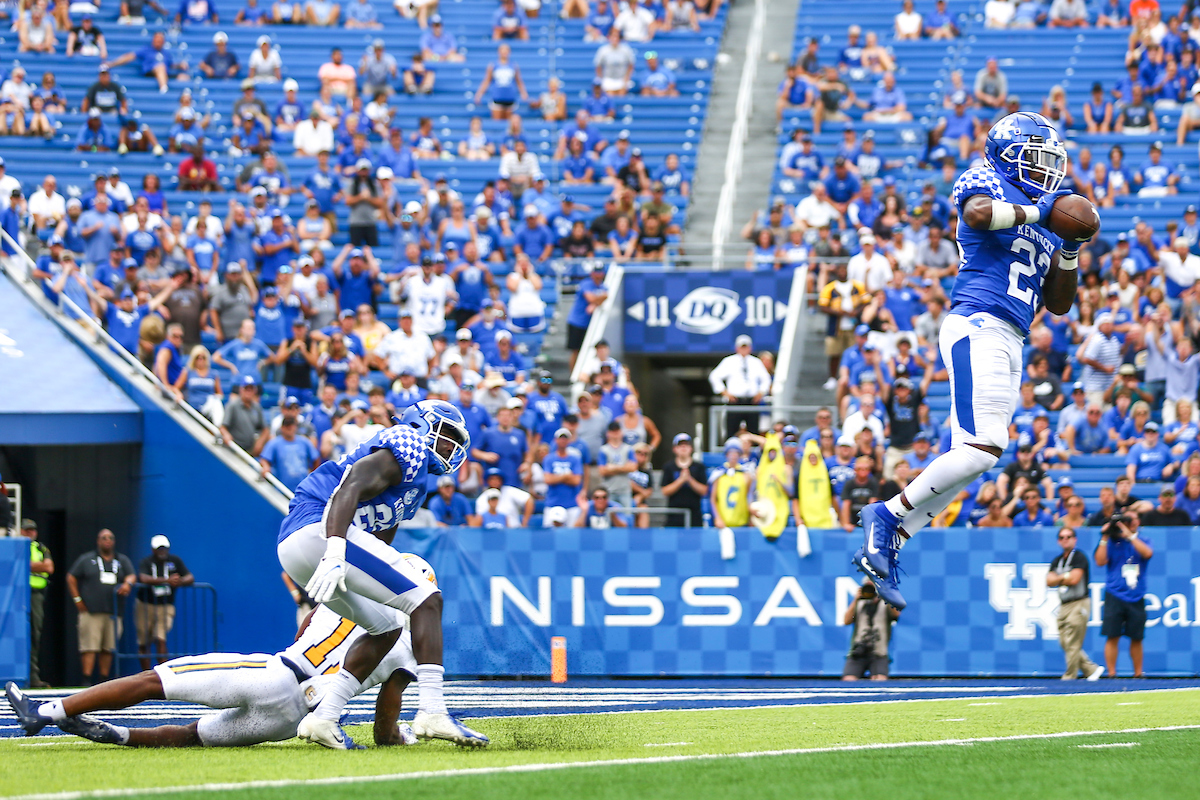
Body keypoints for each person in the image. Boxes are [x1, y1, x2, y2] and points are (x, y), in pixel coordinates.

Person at [856, 112, 1078, 610]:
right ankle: (887, 516)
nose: (1047, 173)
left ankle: (892, 536)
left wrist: (1071, 248)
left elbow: (1059, 304)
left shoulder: (1044, 212)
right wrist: (1042, 215)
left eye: (1051, 163)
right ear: (1009, 154)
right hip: (979, 319)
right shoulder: (988, 179)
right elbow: (978, 214)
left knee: (977, 456)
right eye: (1038, 159)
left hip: (1009, 333)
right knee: (982, 447)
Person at [276, 400, 486, 748]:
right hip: (318, 529)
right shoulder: (408, 443)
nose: (450, 447)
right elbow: (350, 487)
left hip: (302, 546)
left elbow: (379, 541)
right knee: (427, 600)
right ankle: (432, 710)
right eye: (446, 435)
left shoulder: (415, 486)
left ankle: (324, 718)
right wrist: (335, 550)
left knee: (388, 625)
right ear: (422, 424)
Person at [6, 602, 428, 749]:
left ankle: (46, 711)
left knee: (156, 681)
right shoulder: (408, 646)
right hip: (293, 720)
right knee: (194, 736)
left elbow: (301, 631)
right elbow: (383, 725)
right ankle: (119, 737)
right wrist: (400, 736)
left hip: (278, 674)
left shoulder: (349, 592)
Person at [66, 530, 136, 684]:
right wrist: (77, 599)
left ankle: (104, 679)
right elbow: (71, 576)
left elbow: (132, 575)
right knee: (89, 646)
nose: (107, 541)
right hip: (91, 611)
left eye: (111, 538)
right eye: (104, 538)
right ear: (98, 541)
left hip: (113, 611)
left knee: (108, 647)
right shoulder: (87, 559)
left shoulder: (121, 560)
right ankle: (86, 679)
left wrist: (127, 583)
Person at [1095, 510, 1153, 677]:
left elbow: (1147, 553)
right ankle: (1111, 673)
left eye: (1133, 519)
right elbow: (1100, 561)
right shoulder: (1113, 541)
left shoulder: (1143, 539)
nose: (1130, 522)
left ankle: (1137, 672)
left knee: (1137, 637)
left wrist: (1130, 536)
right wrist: (1105, 536)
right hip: (1115, 593)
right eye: (1128, 519)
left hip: (1136, 594)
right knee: (1112, 635)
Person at [1045, 528, 1104, 680]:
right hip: (1064, 604)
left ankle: (1070, 675)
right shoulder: (1058, 560)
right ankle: (1090, 669)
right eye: (1062, 537)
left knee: (1072, 641)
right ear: (1058, 540)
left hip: (1079, 602)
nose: (1065, 539)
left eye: (1069, 536)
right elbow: (1048, 581)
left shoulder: (1079, 557)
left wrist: (1060, 577)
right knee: (1065, 641)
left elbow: (1074, 579)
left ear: (1075, 539)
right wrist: (1065, 576)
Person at [135, 535, 193, 670]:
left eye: (164, 549)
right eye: (159, 549)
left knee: (161, 638)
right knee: (144, 641)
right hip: (145, 605)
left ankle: (162, 674)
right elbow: (143, 578)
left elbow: (190, 577)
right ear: (153, 550)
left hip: (165, 605)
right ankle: (146, 673)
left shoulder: (174, 561)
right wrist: (166, 580)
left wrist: (180, 582)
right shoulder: (146, 561)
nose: (162, 552)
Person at [709, 334, 772, 438]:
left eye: (746, 346)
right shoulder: (729, 361)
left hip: (752, 401)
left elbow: (766, 379)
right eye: (742, 346)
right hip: (735, 400)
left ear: (750, 348)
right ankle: (731, 450)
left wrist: (761, 392)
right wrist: (725, 392)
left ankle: (753, 452)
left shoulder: (755, 362)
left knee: (753, 431)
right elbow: (714, 376)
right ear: (737, 348)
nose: (744, 349)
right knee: (731, 430)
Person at [842, 577, 899, 681]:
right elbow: (846, 621)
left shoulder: (885, 604)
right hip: (858, 651)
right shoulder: (859, 603)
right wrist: (856, 599)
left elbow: (896, 614)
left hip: (879, 652)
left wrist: (887, 596)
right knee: (849, 679)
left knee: (880, 679)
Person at [21, 519, 53, 688]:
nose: (30, 533)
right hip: (18, 594)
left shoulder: (40, 547)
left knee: (34, 634)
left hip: (35, 595)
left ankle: (32, 677)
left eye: (32, 530)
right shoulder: (16, 545)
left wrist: (26, 565)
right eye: (26, 530)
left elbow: (49, 567)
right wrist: (36, 566)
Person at [659, 433, 707, 527]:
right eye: (680, 446)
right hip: (674, 514)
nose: (683, 448)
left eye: (686, 445)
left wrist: (690, 480)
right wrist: (680, 481)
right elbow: (665, 491)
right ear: (675, 449)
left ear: (691, 448)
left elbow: (704, 491)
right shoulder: (669, 467)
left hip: (694, 514)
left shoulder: (699, 467)